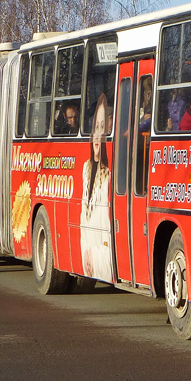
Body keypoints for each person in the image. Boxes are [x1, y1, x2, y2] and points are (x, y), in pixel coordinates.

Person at [80, 94, 112, 282]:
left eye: (103, 129)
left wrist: (94, 257)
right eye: (96, 128)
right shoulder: (86, 170)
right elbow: (83, 224)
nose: (98, 136)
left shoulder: (109, 175)